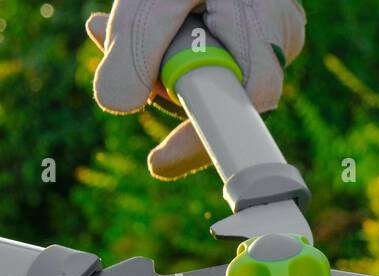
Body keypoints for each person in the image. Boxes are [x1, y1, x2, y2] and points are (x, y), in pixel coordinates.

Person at [85, 0, 306, 180]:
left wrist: (129, 38)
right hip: (284, 27)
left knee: (144, 24)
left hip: (249, 32)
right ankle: (264, 189)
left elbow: (141, 14)